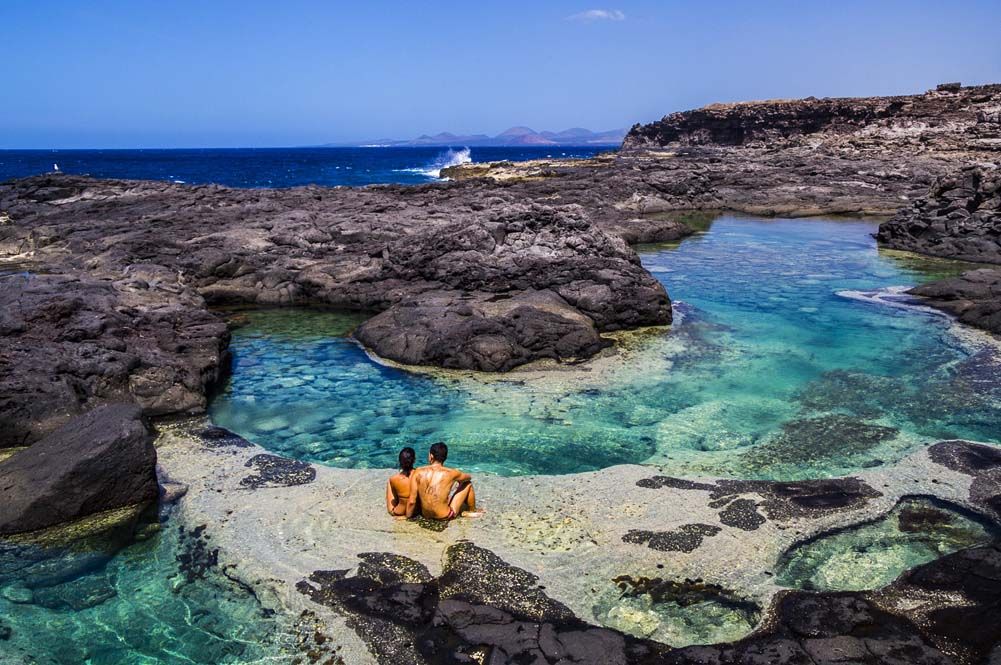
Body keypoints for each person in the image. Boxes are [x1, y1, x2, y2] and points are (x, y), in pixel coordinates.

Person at [406, 442, 484, 520]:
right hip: (444, 516)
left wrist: (408, 517)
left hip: (425, 515)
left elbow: (412, 501)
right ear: (445, 457)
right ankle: (472, 511)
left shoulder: (418, 471)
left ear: (431, 456)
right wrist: (458, 480)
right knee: (468, 484)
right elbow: (468, 477)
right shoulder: (451, 473)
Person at [386, 447, 417, 518]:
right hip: (415, 512)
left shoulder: (393, 479)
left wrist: (393, 512)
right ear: (414, 460)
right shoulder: (420, 475)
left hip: (399, 512)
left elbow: (390, 504)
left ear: (400, 461)